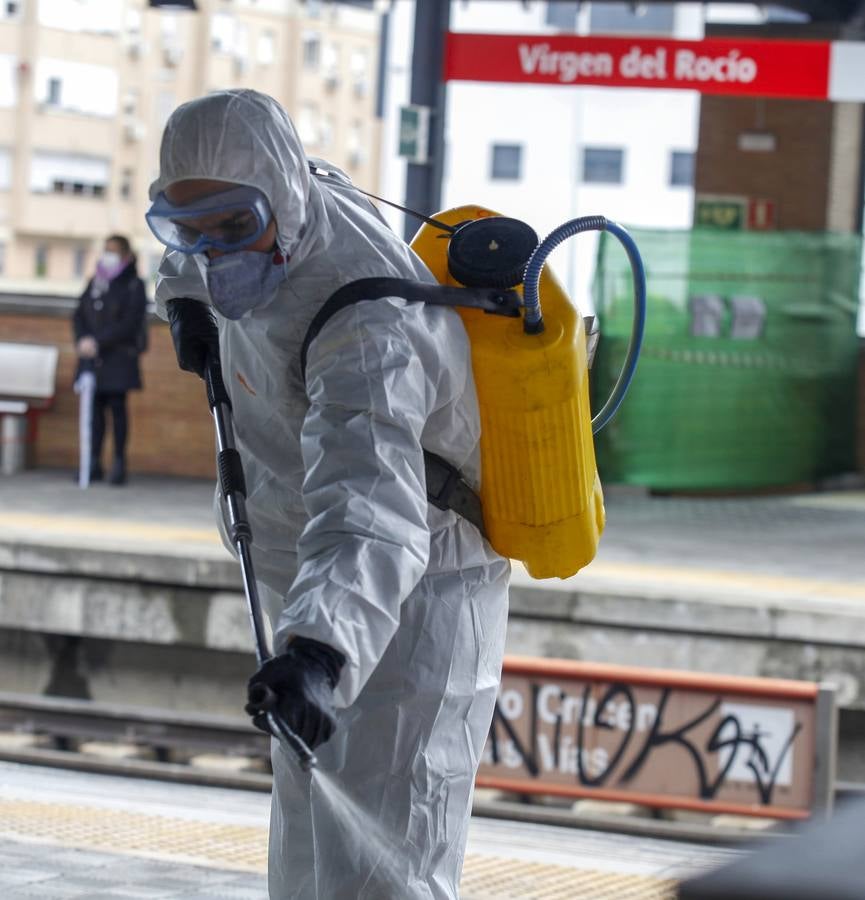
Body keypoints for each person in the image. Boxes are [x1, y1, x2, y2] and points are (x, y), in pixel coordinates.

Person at [147, 89, 509, 900]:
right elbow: (194, 243)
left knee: (383, 865)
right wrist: (181, 302)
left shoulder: (363, 315)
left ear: (279, 193)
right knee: (308, 855)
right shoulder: (264, 210)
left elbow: (373, 511)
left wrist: (315, 653)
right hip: (315, 595)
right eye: (185, 231)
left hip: (406, 603)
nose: (215, 253)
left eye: (234, 228)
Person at [72, 235, 147, 485]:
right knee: (93, 412)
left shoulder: (134, 284)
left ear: (126, 254)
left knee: (117, 411)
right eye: (105, 250)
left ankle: (118, 463)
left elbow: (130, 323)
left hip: (118, 359)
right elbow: (79, 314)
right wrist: (83, 339)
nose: (107, 255)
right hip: (92, 361)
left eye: (113, 251)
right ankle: (91, 462)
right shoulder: (96, 281)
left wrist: (98, 342)